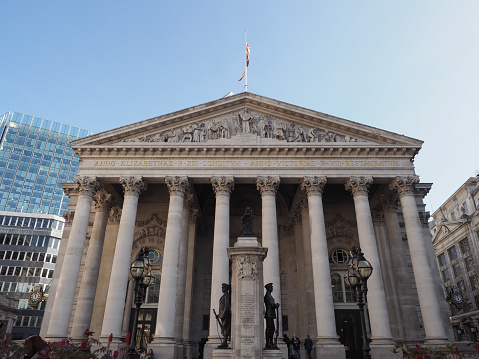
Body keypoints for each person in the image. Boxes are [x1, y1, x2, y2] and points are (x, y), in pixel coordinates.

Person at [264, 283, 280, 349]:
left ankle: (271, 342)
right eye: (271, 287)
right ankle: (268, 342)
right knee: (269, 328)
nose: (272, 288)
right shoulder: (268, 295)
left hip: (270, 314)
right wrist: (276, 305)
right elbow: (273, 304)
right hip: (269, 314)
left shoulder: (269, 295)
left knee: (272, 328)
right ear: (268, 288)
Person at [216, 283, 231, 348]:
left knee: (225, 328)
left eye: (224, 287)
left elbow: (227, 307)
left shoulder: (227, 295)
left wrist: (223, 315)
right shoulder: (224, 295)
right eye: (222, 287)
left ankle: (225, 342)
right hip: (223, 314)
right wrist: (219, 315)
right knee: (224, 328)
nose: (222, 288)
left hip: (226, 315)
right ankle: (224, 342)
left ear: (226, 289)